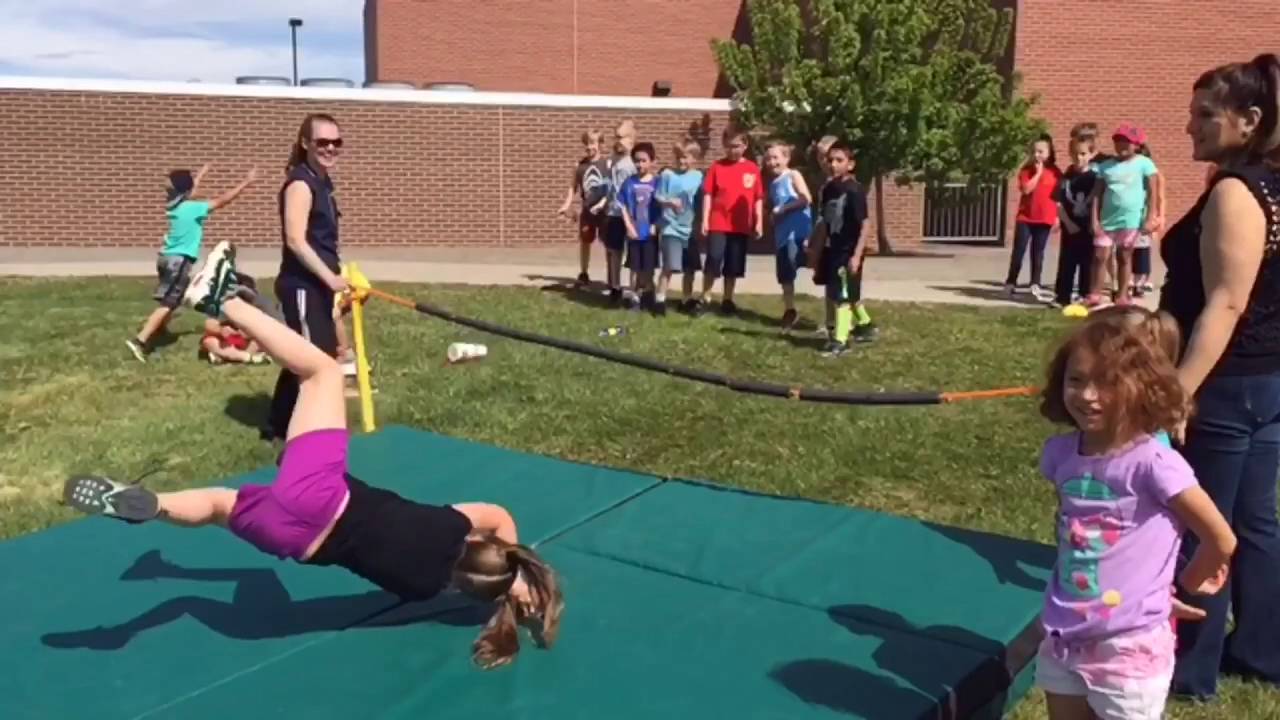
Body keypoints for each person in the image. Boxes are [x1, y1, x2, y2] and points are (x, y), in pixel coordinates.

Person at [63, 241, 563, 670]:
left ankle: (220, 299)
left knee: (322, 373)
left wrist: (519, 562)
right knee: (218, 506)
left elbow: (497, 515)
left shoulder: (450, 527)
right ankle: (155, 504)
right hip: (302, 545)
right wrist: (505, 597)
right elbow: (472, 572)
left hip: (322, 495)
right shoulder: (423, 590)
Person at [1035, 307, 1236, 719]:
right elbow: (1079, 535)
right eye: (1076, 380)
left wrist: (1186, 582)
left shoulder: (1153, 463)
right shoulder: (1060, 456)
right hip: (1065, 632)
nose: (1088, 395)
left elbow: (1221, 537)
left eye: (1107, 383)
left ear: (1141, 388)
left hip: (1129, 647)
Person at [1159, 52, 1280, 700]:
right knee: (1255, 522)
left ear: (1250, 120)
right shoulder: (1267, 184)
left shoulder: (1237, 192)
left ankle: (1192, 669)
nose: (1190, 128)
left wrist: (1178, 391)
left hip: (1228, 387)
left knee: (1205, 524)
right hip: (1263, 383)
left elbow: (1227, 302)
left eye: (1205, 115)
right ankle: (1262, 650)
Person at [266, 113, 350, 442]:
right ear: (305, 144)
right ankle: (296, 433)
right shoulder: (300, 183)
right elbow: (295, 240)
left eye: (336, 142)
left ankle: (280, 423)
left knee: (317, 356)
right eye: (322, 142)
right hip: (301, 286)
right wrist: (329, 278)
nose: (330, 148)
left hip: (319, 284)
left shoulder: (323, 183)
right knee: (311, 361)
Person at [125, 164, 257, 362]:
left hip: (165, 258)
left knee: (172, 298)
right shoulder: (194, 208)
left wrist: (202, 175)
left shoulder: (175, 205)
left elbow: (190, 192)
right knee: (169, 303)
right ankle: (141, 340)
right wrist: (246, 183)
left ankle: (161, 330)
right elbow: (222, 201)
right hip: (179, 260)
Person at [1086, 124, 1159, 308]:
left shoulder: (1144, 164)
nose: (1121, 145)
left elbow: (1152, 192)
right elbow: (1097, 194)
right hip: (1107, 221)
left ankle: (1122, 294)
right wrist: (1094, 220)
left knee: (1124, 256)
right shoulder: (1105, 167)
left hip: (1131, 220)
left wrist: (1150, 218)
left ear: (1136, 145)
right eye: (1118, 141)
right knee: (1100, 256)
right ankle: (1095, 293)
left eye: (1126, 142)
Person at [811, 142, 871, 357]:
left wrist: (857, 256)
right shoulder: (828, 189)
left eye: (839, 160)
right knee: (845, 291)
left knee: (842, 295)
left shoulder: (855, 191)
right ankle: (866, 324)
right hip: (832, 248)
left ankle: (841, 340)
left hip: (849, 250)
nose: (833, 165)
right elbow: (825, 222)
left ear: (850, 164)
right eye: (830, 160)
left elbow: (865, 224)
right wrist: (816, 249)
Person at [697, 127, 763, 316]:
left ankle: (728, 299)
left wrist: (758, 222)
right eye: (729, 147)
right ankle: (706, 296)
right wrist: (705, 219)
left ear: (745, 145)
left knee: (733, 264)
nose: (733, 150)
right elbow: (708, 194)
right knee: (714, 258)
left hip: (740, 225)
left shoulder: (752, 169)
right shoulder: (717, 167)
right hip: (718, 222)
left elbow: (758, 197)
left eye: (737, 146)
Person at [764, 140, 813, 331]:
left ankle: (837, 313)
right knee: (785, 275)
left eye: (775, 157)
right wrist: (772, 216)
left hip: (799, 233)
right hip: (782, 236)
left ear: (786, 158)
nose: (771, 162)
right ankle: (790, 310)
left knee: (813, 267)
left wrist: (783, 209)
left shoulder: (793, 175)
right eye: (768, 158)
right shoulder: (773, 184)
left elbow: (805, 198)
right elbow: (775, 208)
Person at [1005, 134, 1061, 301]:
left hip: (1044, 218)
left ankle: (1035, 282)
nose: (1037, 155)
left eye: (1041, 151)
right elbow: (1027, 190)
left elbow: (1058, 197)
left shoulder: (1056, 172)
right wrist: (1038, 173)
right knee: (1019, 251)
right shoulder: (1026, 171)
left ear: (1049, 153)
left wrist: (1058, 217)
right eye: (1034, 151)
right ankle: (1011, 281)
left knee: (1038, 252)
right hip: (1026, 218)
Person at [654, 138, 704, 315]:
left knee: (690, 268)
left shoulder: (699, 177)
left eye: (686, 157)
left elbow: (704, 199)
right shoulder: (668, 175)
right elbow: (658, 196)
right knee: (670, 266)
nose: (682, 161)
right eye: (679, 157)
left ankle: (686, 300)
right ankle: (659, 300)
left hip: (689, 229)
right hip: (670, 227)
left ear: (694, 158)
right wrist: (669, 202)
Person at [557, 129, 610, 287]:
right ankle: (584, 272)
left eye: (592, 143)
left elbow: (612, 186)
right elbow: (573, 187)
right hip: (587, 211)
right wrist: (566, 205)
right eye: (586, 143)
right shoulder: (579, 166)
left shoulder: (607, 164)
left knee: (608, 244)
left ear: (600, 144)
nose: (589, 146)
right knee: (585, 241)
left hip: (604, 211)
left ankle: (611, 275)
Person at [1052, 135, 1098, 308]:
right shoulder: (1067, 177)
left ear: (1091, 154)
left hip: (1088, 227)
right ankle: (1062, 296)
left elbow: (1098, 201)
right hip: (1070, 227)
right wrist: (1067, 223)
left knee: (1088, 262)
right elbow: (1059, 202)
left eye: (1083, 154)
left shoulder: (1095, 178)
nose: (1079, 158)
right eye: (1075, 154)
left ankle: (1085, 294)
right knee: (1067, 262)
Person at [603, 120, 638, 306]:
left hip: (632, 214)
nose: (618, 141)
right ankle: (615, 287)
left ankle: (634, 290)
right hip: (614, 213)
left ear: (632, 139)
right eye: (616, 137)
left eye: (621, 137)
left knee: (634, 253)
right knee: (614, 251)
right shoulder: (614, 160)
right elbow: (611, 187)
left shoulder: (634, 162)